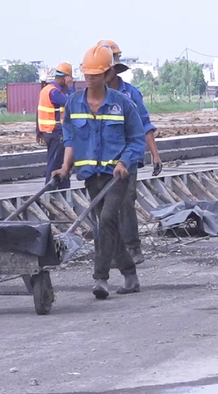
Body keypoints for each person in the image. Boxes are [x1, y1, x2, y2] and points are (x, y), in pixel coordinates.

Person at [52, 44, 145, 300]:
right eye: (87, 75)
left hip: (117, 174)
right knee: (106, 226)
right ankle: (130, 274)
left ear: (107, 75)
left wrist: (124, 162)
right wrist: (64, 167)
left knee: (105, 222)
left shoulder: (122, 104)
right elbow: (70, 138)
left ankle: (100, 279)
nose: (89, 80)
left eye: (95, 75)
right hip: (90, 175)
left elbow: (137, 139)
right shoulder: (73, 104)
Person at [99, 39, 162, 265]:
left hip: (127, 158)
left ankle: (132, 248)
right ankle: (110, 251)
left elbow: (144, 125)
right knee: (104, 207)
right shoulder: (91, 97)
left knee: (126, 201)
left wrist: (154, 154)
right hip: (100, 161)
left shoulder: (130, 95)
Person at [37, 63, 74, 189]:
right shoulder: (55, 92)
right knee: (56, 164)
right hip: (55, 133)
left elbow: (39, 111)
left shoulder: (46, 89)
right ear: (65, 79)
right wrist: (70, 87)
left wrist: (38, 131)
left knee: (58, 163)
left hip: (47, 132)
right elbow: (72, 104)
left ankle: (63, 190)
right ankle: (49, 193)